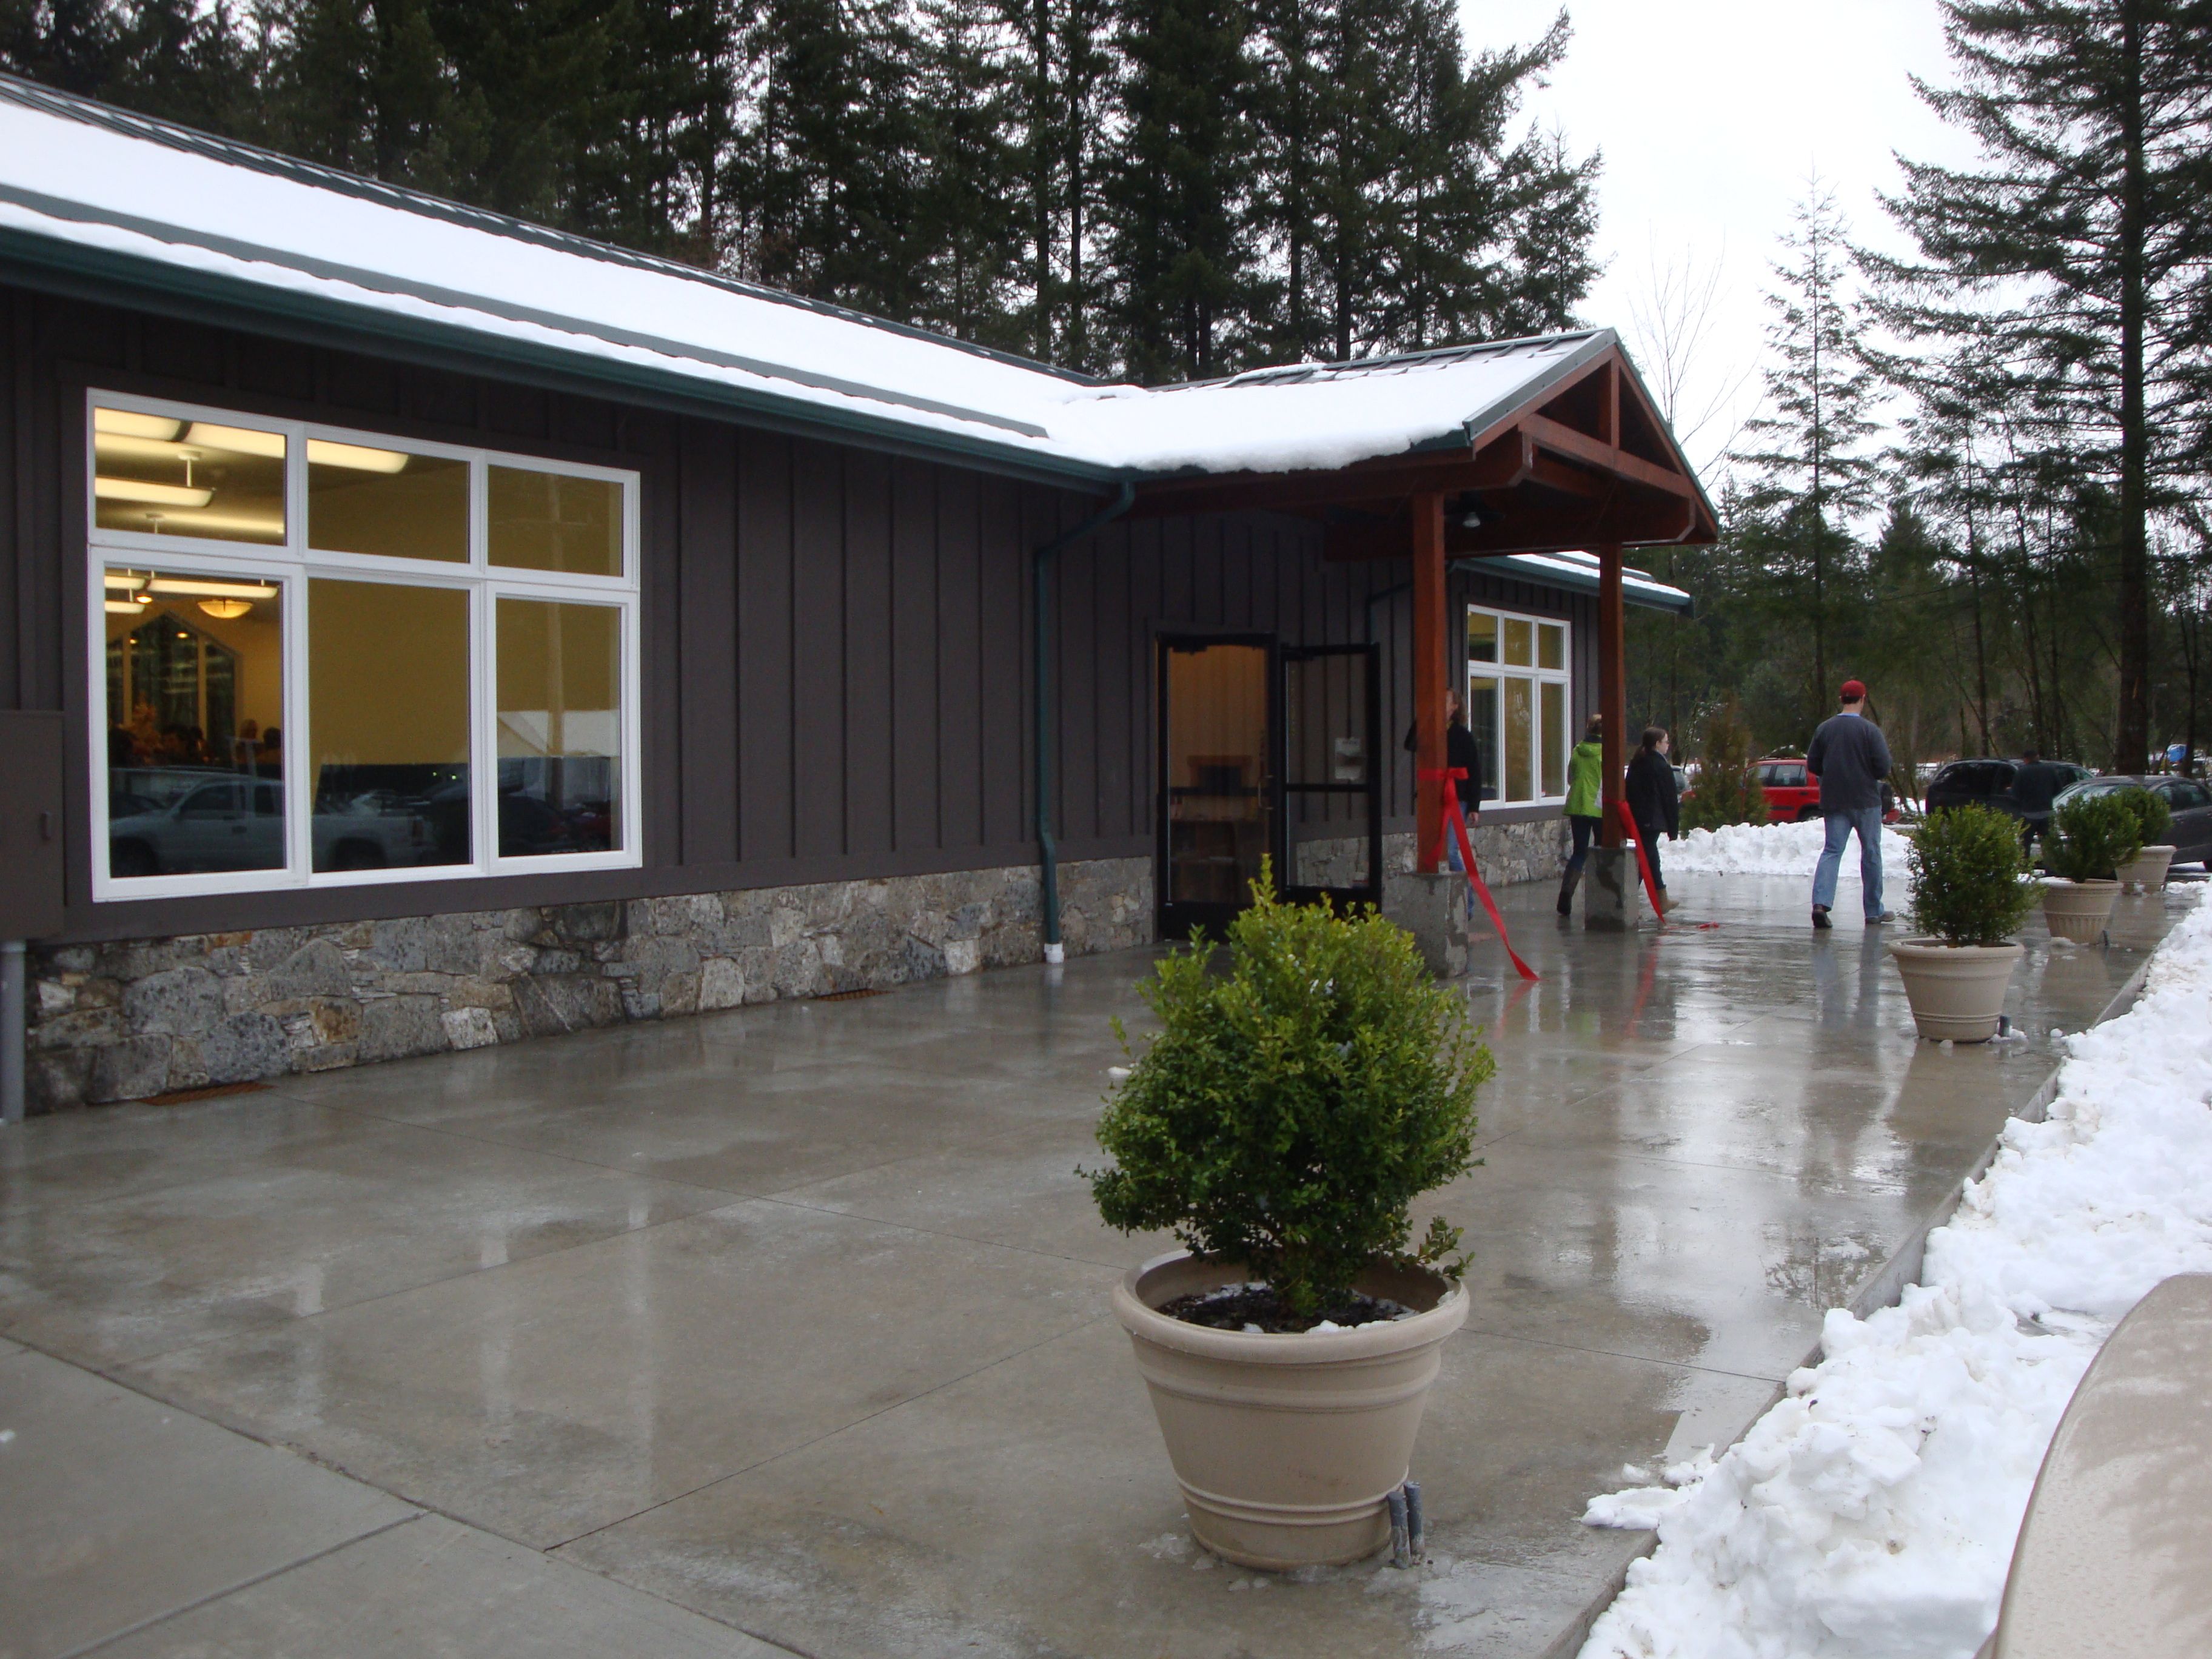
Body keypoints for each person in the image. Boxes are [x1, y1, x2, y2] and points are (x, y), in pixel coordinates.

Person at [1806, 679, 1895, 930]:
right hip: (1866, 800)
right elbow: (1883, 768)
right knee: (1871, 852)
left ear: (1841, 700)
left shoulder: (1824, 729)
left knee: (1832, 851)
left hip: (1834, 800)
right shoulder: (1870, 731)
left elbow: (1813, 764)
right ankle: (1873, 911)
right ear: (1863, 700)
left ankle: (1820, 905)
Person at [1403, 688, 1483, 867]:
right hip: (1433, 797)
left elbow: (1475, 772)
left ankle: (1467, 895)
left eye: (1444, 701)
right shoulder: (1429, 731)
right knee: (1432, 849)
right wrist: (1423, 718)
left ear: (1454, 707)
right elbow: (1410, 744)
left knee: (1451, 851)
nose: (1438, 705)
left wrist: (1474, 806)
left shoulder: (1463, 736)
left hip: (1456, 797)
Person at [1624, 725, 1680, 913]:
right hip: (1652, 820)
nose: (1668, 745)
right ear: (1657, 744)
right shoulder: (1660, 766)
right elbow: (1669, 798)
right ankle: (1626, 901)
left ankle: (1661, 897)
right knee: (1644, 859)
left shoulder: (1637, 762)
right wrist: (1673, 828)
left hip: (1640, 819)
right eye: (1666, 742)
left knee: (1652, 858)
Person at [1558, 715, 1604, 916]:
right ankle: (1601, 896)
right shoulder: (1606, 753)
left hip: (1578, 805)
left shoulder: (1577, 751)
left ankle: (1566, 896)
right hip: (1599, 806)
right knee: (1602, 852)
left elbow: (1570, 777)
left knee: (1579, 852)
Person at [2011, 746, 2063, 857]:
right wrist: (2047, 796)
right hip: (2047, 811)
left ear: (2026, 759)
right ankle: (2050, 867)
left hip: (2028, 812)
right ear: (2037, 757)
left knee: (2025, 843)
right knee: (2048, 843)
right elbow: (2059, 788)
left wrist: (2023, 802)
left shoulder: (2022, 772)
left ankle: (2025, 868)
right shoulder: (2049, 770)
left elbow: (2015, 792)